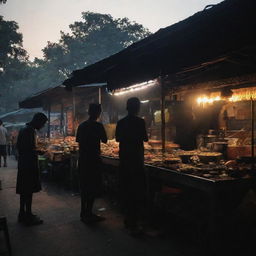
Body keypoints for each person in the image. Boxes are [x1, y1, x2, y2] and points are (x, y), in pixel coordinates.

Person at [115, 97, 148, 235]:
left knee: (127, 190)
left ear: (127, 107)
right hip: (136, 161)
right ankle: (135, 222)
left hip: (124, 160)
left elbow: (117, 139)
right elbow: (145, 138)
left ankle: (128, 220)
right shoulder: (140, 122)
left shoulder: (121, 122)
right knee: (137, 191)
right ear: (137, 108)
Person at [76, 103, 107, 223]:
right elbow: (104, 140)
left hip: (83, 159)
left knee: (84, 187)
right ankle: (88, 213)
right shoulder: (98, 126)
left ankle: (84, 212)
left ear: (88, 112)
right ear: (98, 113)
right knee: (92, 186)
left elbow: (79, 141)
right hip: (94, 160)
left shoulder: (82, 126)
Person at [16, 112, 48, 226]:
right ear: (38, 121)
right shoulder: (29, 130)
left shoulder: (25, 129)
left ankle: (22, 213)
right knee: (28, 190)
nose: (42, 126)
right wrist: (40, 151)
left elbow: (22, 147)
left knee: (25, 190)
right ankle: (27, 215)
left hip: (24, 164)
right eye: (43, 123)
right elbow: (29, 148)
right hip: (28, 165)